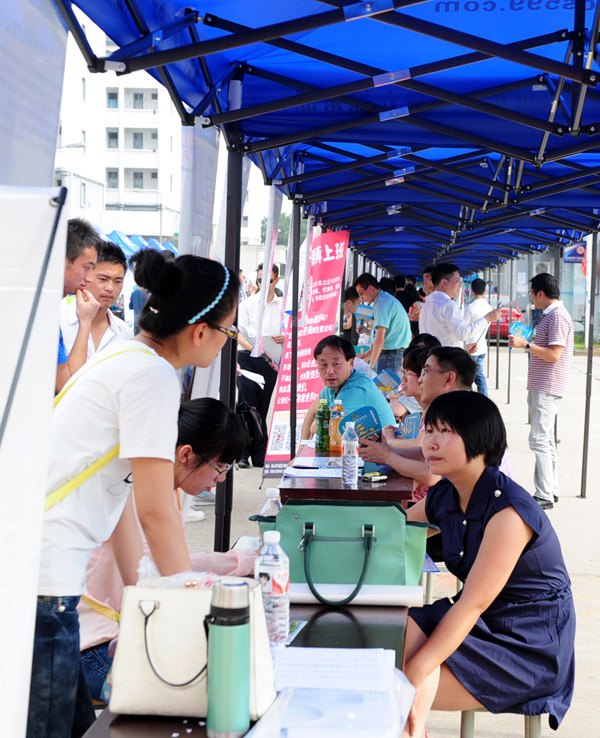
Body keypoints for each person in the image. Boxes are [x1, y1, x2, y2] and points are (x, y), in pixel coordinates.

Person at [27, 251, 239, 738]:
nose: (227, 342)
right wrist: (188, 612)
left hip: (47, 574)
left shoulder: (126, 357)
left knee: (81, 727)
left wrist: (143, 602)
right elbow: (156, 511)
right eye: (228, 331)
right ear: (200, 331)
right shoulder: (153, 376)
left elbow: (124, 503)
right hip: (47, 579)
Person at [402, 391, 575, 737]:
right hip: (483, 623)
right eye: (429, 430)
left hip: (527, 643)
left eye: (444, 431)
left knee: (399, 677)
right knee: (392, 637)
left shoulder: (509, 511)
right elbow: (397, 531)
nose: (430, 442)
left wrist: (414, 673)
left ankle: (409, 723)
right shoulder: (447, 494)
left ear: (480, 439)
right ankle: (411, 724)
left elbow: (472, 604)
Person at [79, 398, 252, 700]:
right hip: (97, 642)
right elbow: (156, 578)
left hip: (118, 630)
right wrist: (233, 567)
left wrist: (236, 563)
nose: (221, 479)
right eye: (219, 467)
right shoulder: (141, 499)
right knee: (197, 692)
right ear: (186, 454)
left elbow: (168, 565)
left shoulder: (160, 491)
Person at [360, 347, 476, 495]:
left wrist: (387, 456)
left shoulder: (457, 413)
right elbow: (424, 454)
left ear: (449, 378)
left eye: (425, 372)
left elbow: (431, 475)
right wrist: (384, 450)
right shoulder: (450, 408)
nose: (420, 379)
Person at [508, 273, 573, 510]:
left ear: (541, 293)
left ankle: (544, 493)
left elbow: (554, 354)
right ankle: (550, 489)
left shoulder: (557, 316)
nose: (531, 299)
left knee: (538, 439)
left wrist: (526, 344)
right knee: (545, 439)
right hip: (543, 384)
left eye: (532, 294)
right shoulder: (550, 315)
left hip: (547, 385)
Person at [300, 335, 396, 440]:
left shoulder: (357, 388)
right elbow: (311, 412)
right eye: (323, 364)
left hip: (385, 447)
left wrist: (314, 427)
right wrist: (302, 444)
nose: (329, 371)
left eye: (336, 364)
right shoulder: (333, 385)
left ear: (351, 363)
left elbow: (317, 428)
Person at [237, 263, 285, 468]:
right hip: (247, 356)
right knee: (246, 404)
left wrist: (285, 337)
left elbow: (291, 331)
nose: (264, 284)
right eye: (260, 280)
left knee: (262, 406)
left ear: (276, 280)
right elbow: (237, 332)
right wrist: (254, 347)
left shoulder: (282, 305)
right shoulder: (248, 304)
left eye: (269, 280)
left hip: (270, 361)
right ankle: (242, 452)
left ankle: (259, 453)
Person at [60, 241, 132, 359]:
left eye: (118, 281)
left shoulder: (125, 333)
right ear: (87, 275)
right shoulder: (59, 318)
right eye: (103, 279)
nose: (110, 288)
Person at [56, 218, 102, 392]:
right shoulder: (43, 314)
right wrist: (86, 322)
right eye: (87, 267)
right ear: (64, 261)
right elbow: (67, 384)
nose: (89, 278)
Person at [418, 263, 501, 347]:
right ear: (444, 283)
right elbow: (462, 333)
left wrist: (463, 349)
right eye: (457, 281)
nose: (460, 286)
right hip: (445, 354)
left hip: (432, 352)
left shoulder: (427, 303)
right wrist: (487, 318)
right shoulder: (448, 304)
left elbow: (442, 335)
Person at [354, 272, 411, 373]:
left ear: (370, 288)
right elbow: (380, 338)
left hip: (392, 355)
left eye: (361, 293)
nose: (361, 298)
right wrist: (366, 356)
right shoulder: (383, 300)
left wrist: (370, 368)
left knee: (386, 384)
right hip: (393, 354)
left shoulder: (382, 304)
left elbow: (380, 340)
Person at [464, 277, 493, 396]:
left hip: (470, 346)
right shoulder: (489, 307)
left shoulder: (470, 308)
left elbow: (464, 328)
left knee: (468, 377)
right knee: (479, 375)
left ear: (472, 291)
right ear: (484, 291)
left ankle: (474, 399)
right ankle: (484, 398)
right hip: (482, 346)